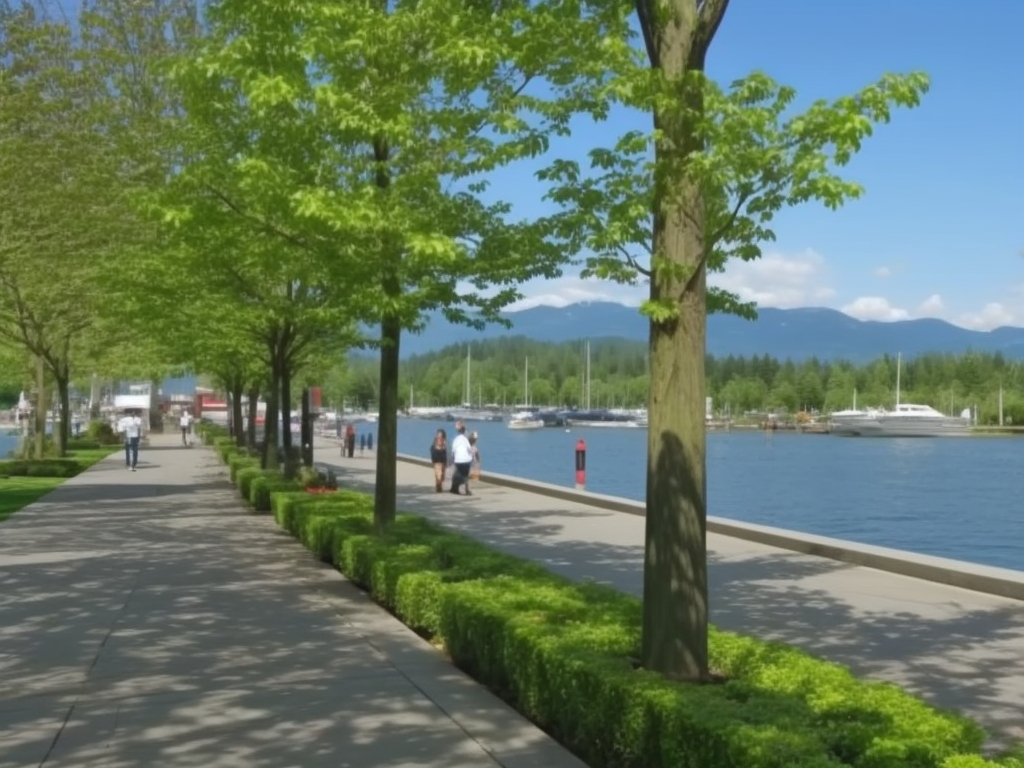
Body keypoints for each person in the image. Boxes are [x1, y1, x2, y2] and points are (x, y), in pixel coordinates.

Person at [448, 421, 473, 496]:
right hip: (466, 459)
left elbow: (453, 451)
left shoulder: (456, 439)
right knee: (465, 475)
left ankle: (454, 488)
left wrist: (451, 460)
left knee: (457, 473)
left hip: (458, 459)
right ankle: (465, 490)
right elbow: (469, 449)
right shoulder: (465, 439)